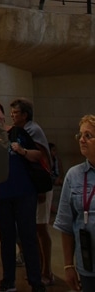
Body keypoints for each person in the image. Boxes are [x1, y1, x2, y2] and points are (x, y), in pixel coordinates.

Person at [0, 101, 46, 292]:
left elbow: (38, 155)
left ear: (4, 115)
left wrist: (22, 151)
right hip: (2, 195)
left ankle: (36, 281)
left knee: (28, 237)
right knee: (6, 239)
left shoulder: (18, 133)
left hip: (24, 193)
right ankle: (8, 280)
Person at [10, 97, 53, 285]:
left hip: (39, 184)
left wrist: (42, 188)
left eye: (16, 112)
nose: (12, 115)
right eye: (11, 112)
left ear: (25, 114)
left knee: (41, 228)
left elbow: (43, 157)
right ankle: (38, 268)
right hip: (30, 185)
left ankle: (46, 271)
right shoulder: (21, 130)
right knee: (32, 228)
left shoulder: (32, 130)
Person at [54, 115, 95, 292]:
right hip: (88, 265)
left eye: (88, 135)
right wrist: (68, 266)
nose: (82, 140)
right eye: (80, 136)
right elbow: (65, 224)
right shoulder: (74, 175)